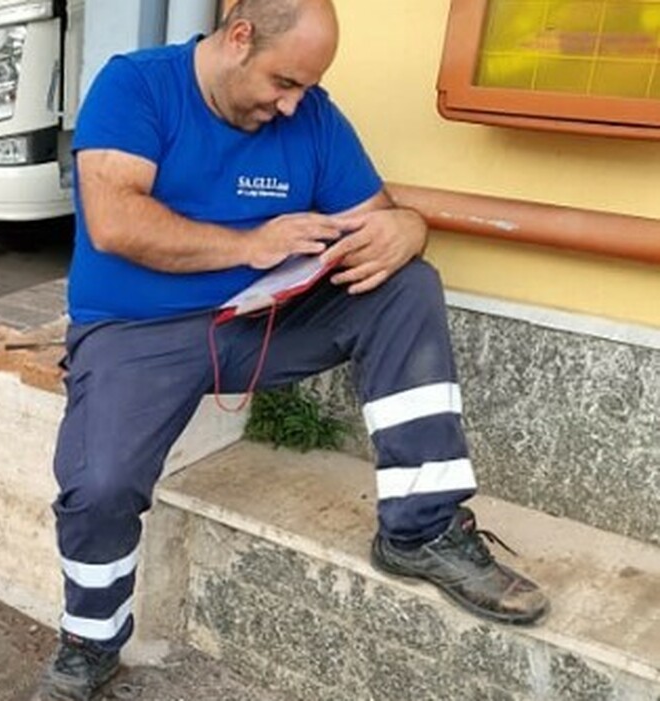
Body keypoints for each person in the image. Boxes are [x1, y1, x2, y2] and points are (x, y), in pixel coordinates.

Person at [38, 1, 549, 699]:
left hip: (258, 324)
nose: (291, 106)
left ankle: (420, 529)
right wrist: (252, 245)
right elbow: (115, 221)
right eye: (283, 84)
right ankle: (88, 642)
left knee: (408, 286)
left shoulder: (314, 118)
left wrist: (408, 227)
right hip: (137, 332)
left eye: (304, 88)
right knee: (99, 486)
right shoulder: (137, 84)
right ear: (239, 37)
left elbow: (380, 216)